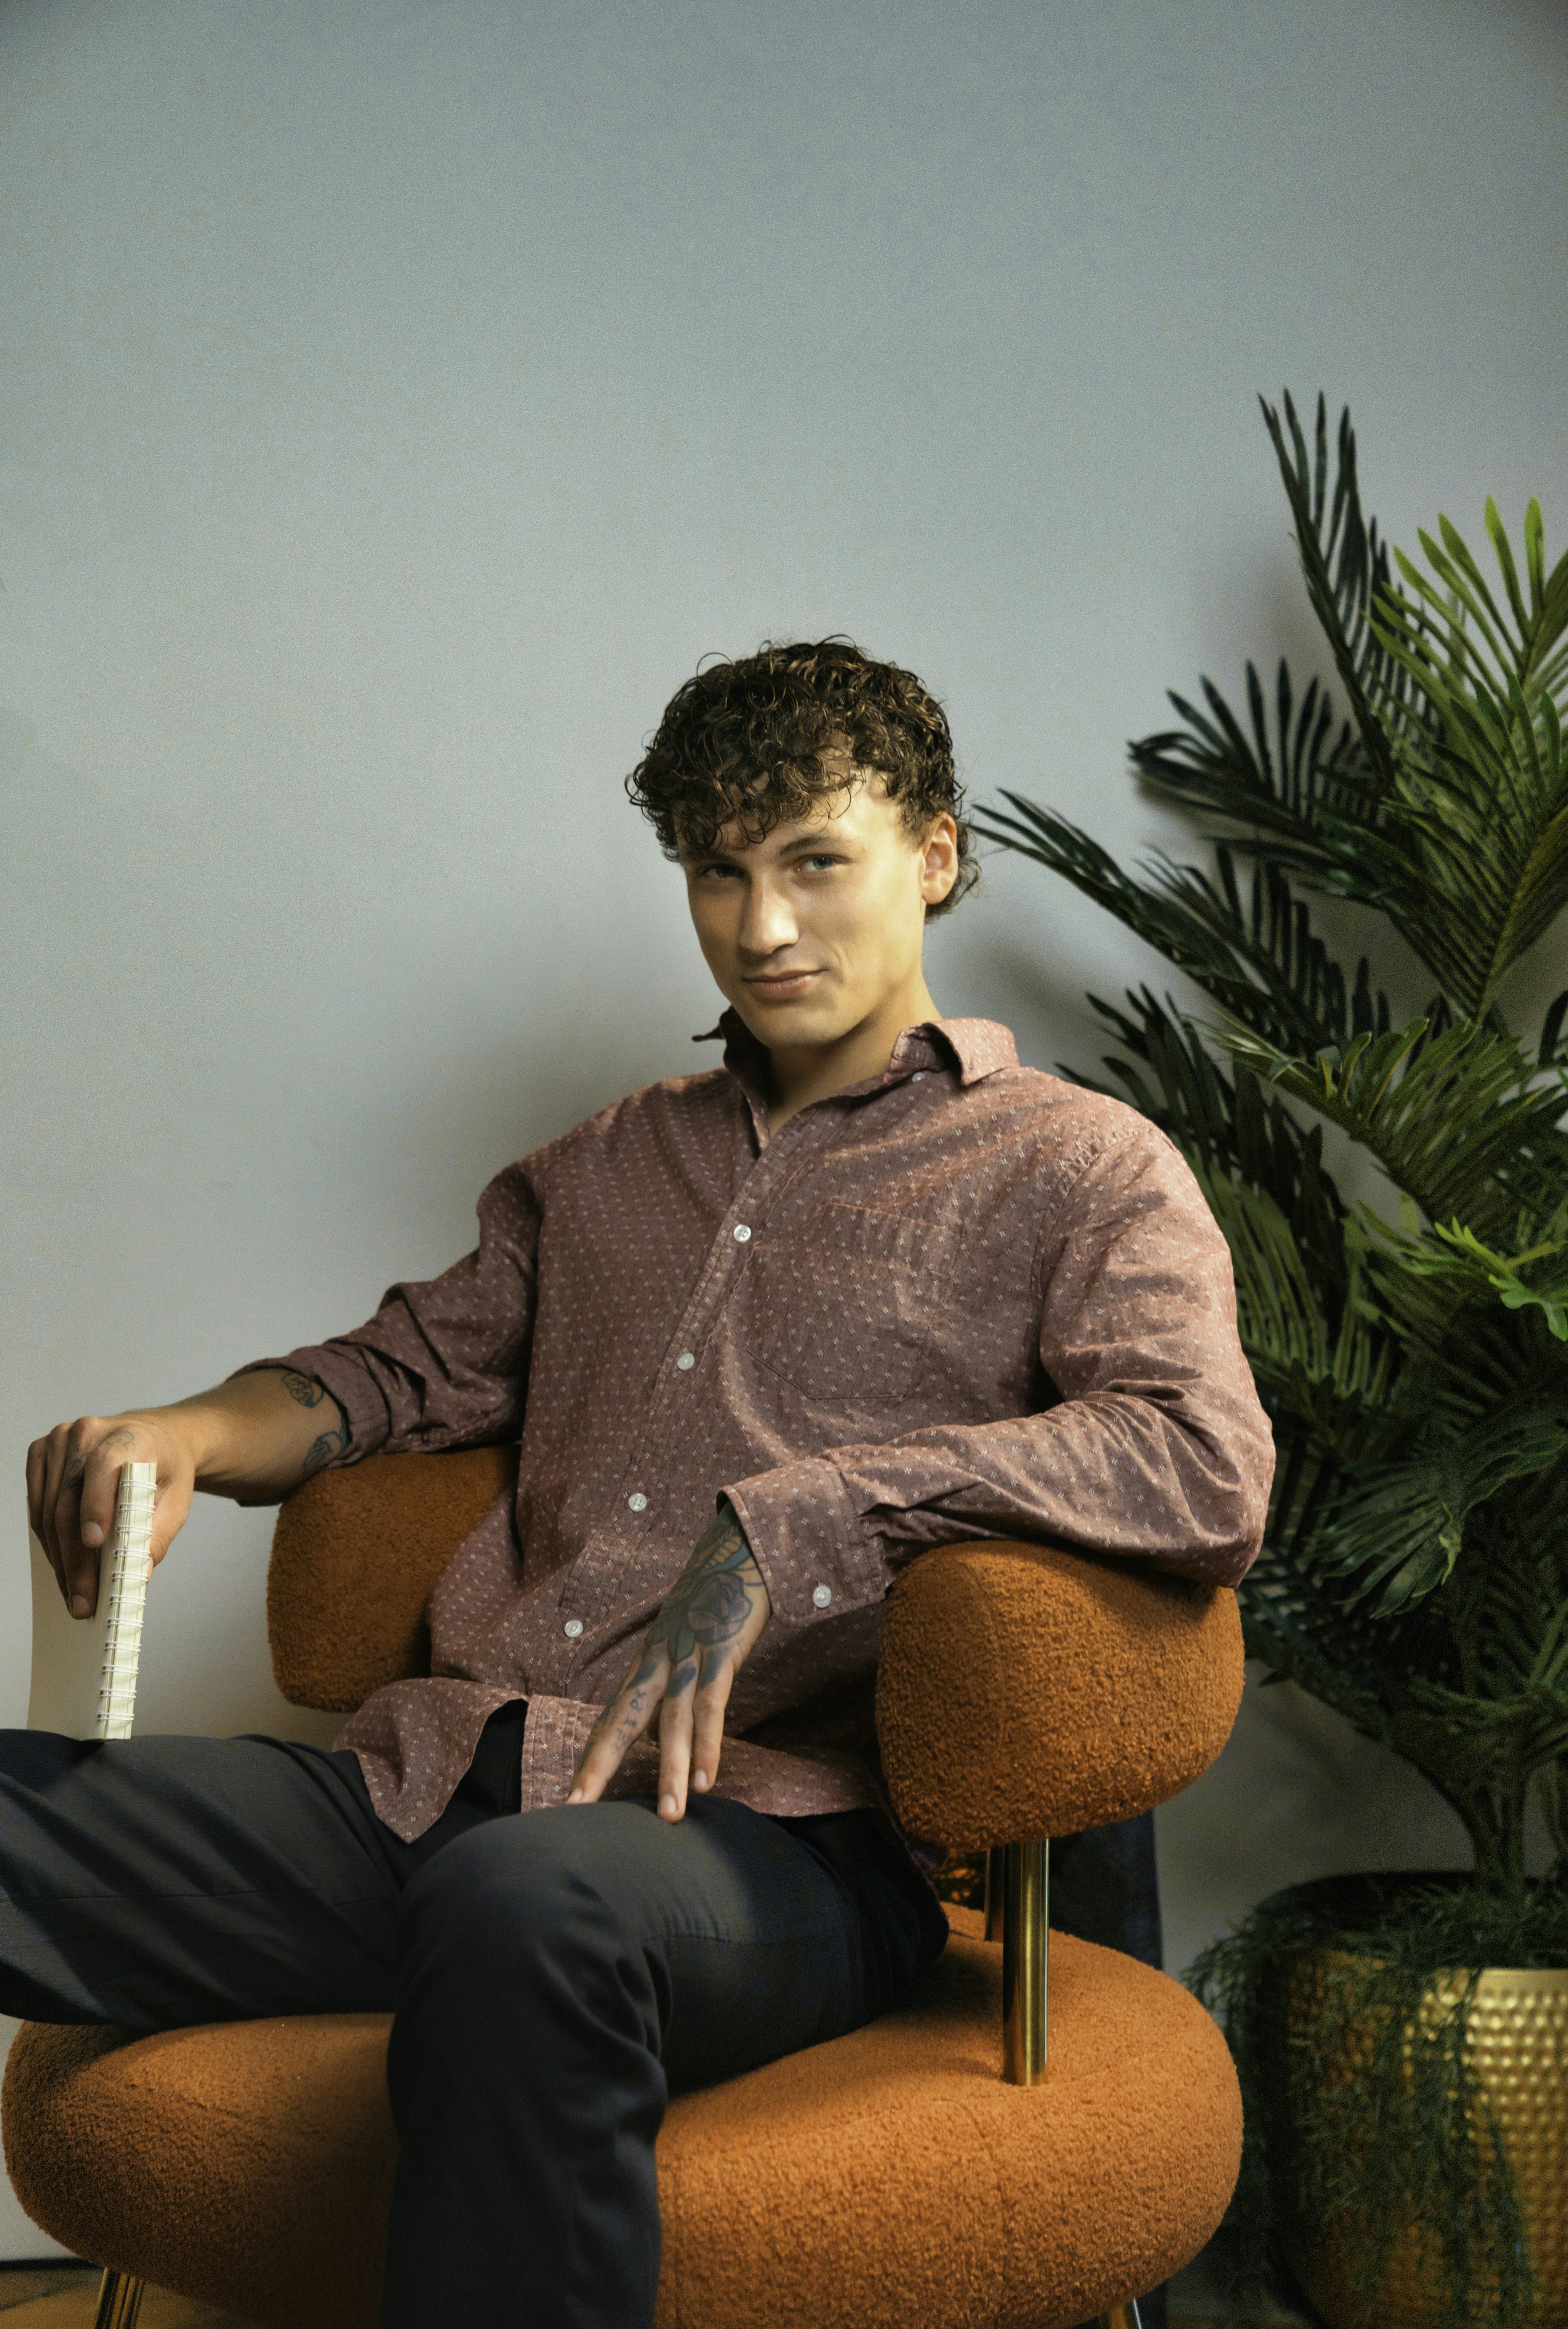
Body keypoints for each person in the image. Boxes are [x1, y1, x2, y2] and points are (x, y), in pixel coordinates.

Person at [12, 637, 1272, 2329]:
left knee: (526, 1907)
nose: (761, 928)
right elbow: (397, 1371)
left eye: (815, 861)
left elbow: (1201, 1461)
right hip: (432, 1788)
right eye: (717, 872)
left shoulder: (1073, 1169)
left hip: (768, 1847)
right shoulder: (599, 1169)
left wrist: (801, 1516)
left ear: (937, 854)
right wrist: (180, 1434)